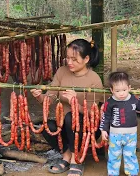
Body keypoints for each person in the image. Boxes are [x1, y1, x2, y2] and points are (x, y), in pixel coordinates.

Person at [30, 39, 103, 176]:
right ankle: (67, 156)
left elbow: (93, 114)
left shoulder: (94, 79)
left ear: (86, 58)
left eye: (74, 59)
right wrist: (39, 96)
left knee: (71, 117)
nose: (69, 62)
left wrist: (75, 103)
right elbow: (49, 100)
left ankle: (76, 160)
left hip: (86, 128)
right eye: (68, 58)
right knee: (46, 126)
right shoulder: (62, 72)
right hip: (64, 125)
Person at [99, 72, 140, 176]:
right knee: (113, 155)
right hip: (115, 135)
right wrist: (103, 130)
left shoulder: (133, 99)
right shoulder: (110, 102)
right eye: (117, 91)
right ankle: (113, 173)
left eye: (124, 90)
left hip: (131, 135)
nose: (121, 93)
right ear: (112, 90)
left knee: (130, 154)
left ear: (129, 88)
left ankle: (132, 173)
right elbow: (106, 116)